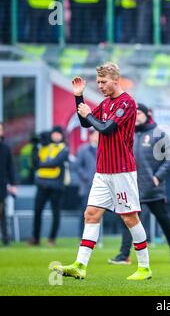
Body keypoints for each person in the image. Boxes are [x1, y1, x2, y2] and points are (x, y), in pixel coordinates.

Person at [53, 62, 152, 281]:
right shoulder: (106, 103)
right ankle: (80, 265)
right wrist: (78, 97)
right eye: (98, 82)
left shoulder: (127, 102)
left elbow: (106, 128)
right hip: (103, 170)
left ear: (116, 80)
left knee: (129, 217)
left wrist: (89, 114)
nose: (100, 86)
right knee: (91, 214)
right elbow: (86, 123)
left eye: (103, 82)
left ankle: (144, 267)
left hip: (121, 170)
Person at [108, 103, 170, 264]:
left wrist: (158, 177)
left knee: (164, 220)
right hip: (132, 187)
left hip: (152, 188)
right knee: (129, 220)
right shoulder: (128, 134)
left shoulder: (158, 134)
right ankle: (124, 254)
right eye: (134, 113)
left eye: (139, 113)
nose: (137, 116)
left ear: (147, 114)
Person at [29, 126, 69, 247]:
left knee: (55, 213)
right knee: (37, 211)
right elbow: (35, 163)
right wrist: (35, 147)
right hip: (42, 184)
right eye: (54, 134)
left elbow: (55, 163)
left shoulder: (64, 148)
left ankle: (52, 239)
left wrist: (41, 164)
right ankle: (35, 238)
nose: (56, 136)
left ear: (62, 136)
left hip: (56, 186)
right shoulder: (44, 147)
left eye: (58, 134)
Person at [75, 129, 99, 237]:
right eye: (96, 134)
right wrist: (86, 177)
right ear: (91, 136)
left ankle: (95, 236)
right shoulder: (83, 150)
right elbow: (77, 166)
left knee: (98, 212)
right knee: (85, 211)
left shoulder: (104, 149)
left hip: (100, 186)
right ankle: (83, 235)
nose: (98, 137)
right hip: (86, 186)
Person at [0, 123, 16, 246]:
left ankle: (6, 238)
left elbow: (10, 167)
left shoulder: (5, 148)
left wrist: (13, 183)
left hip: (1, 184)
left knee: (2, 212)